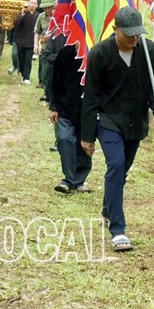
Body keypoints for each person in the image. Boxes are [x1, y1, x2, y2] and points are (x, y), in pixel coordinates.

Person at [81, 7, 154, 252]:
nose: (134, 39)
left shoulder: (148, 51)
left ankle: (108, 210)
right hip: (108, 119)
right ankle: (117, 229)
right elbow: (91, 97)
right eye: (128, 34)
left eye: (137, 34)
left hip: (135, 121)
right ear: (115, 29)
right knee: (116, 165)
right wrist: (87, 136)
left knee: (122, 170)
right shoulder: (100, 53)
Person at [49, 34, 91, 194]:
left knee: (84, 144)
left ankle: (79, 180)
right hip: (65, 108)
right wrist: (54, 106)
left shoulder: (95, 54)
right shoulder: (65, 54)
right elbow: (55, 82)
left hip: (87, 110)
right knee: (65, 139)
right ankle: (68, 179)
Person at [12, 0, 40, 85]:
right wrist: (22, 15)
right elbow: (15, 23)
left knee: (28, 60)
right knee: (21, 59)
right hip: (20, 40)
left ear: (37, 5)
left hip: (31, 42)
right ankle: (22, 72)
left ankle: (26, 77)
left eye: (34, 3)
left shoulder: (38, 16)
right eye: (31, 3)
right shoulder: (22, 13)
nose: (32, 5)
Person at [35, 0, 55, 100]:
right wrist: (36, 44)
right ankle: (46, 93)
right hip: (44, 48)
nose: (47, 10)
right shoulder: (41, 17)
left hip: (56, 49)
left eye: (49, 7)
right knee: (45, 73)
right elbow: (37, 32)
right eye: (45, 8)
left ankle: (53, 95)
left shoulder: (59, 17)